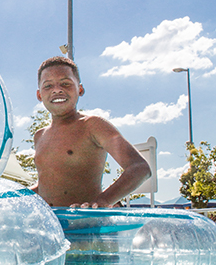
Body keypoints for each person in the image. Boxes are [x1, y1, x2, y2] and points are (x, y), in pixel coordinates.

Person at [33, 55, 151, 208]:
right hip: (52, 224)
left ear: (80, 89)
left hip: (86, 225)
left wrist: (103, 201)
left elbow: (140, 168)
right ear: (39, 95)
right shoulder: (39, 136)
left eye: (65, 83)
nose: (57, 90)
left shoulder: (93, 125)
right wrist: (14, 196)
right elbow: (47, 185)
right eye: (48, 86)